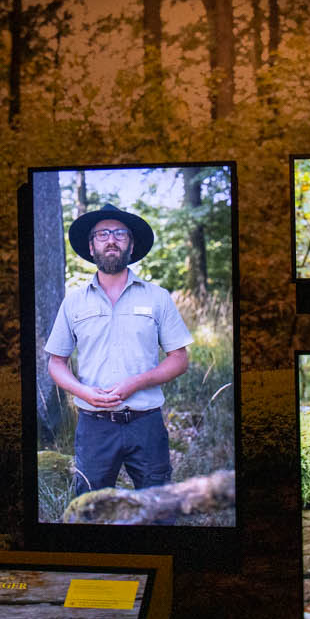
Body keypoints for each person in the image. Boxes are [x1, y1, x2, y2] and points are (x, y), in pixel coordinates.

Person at [44, 205, 191, 495]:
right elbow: (56, 363)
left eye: (120, 234)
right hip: (94, 427)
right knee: (90, 511)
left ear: (131, 244)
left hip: (146, 423)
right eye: (102, 234)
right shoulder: (73, 303)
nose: (111, 240)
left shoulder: (158, 298)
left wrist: (137, 382)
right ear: (91, 246)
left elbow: (179, 359)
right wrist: (82, 392)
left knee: (157, 509)